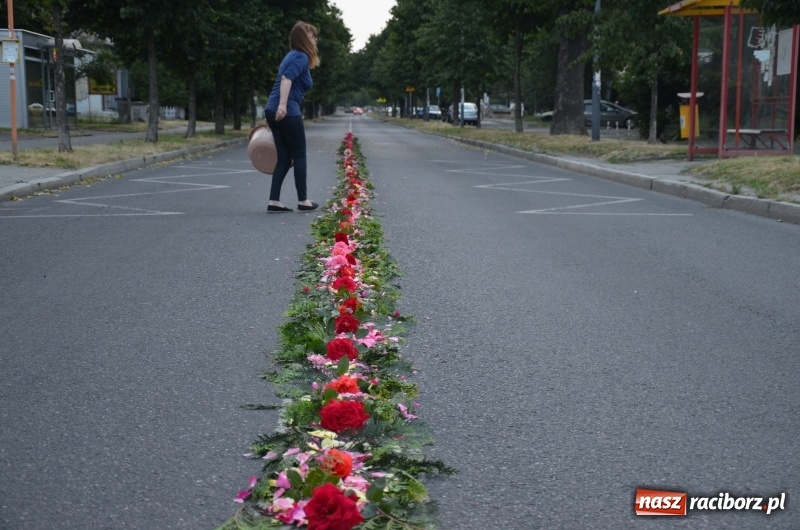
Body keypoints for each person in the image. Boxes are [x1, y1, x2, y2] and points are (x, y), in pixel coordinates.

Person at [264, 21, 320, 213]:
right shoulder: (301, 57)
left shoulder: (290, 55)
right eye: (312, 37)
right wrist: (282, 106)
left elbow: (280, 81)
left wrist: (273, 110)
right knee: (299, 154)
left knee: (284, 158)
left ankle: (274, 201)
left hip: (274, 110)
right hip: (287, 110)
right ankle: (303, 200)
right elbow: (286, 79)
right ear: (305, 39)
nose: (315, 40)